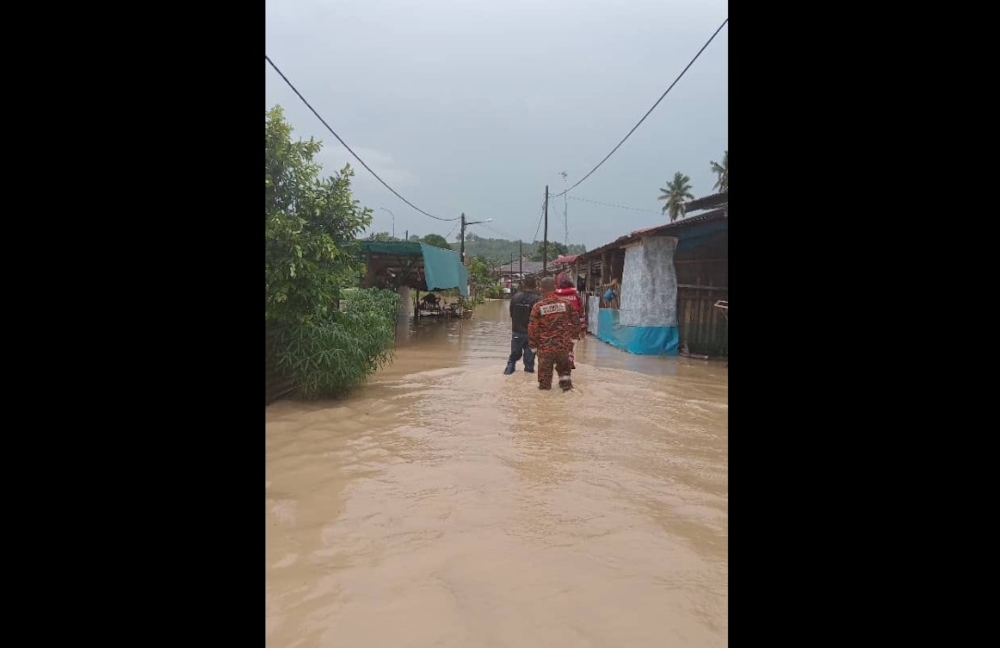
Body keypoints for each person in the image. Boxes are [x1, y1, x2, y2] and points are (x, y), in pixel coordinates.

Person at [528, 276, 579, 391]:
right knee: (565, 382)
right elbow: (576, 323)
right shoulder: (567, 304)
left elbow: (532, 329)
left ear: (541, 289)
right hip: (563, 348)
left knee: (544, 386)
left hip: (545, 350)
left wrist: (533, 347)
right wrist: (573, 341)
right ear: (555, 288)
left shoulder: (538, 307)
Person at [504, 276, 542, 375]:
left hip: (517, 332)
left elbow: (511, 313)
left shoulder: (515, 297)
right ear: (535, 285)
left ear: (524, 285)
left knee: (513, 357)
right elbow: (540, 318)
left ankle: (507, 373)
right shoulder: (538, 300)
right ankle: (527, 382)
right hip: (531, 334)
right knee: (529, 362)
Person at [555, 272, 585, 369]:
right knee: (570, 346)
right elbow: (581, 311)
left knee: (559, 346)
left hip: (558, 326)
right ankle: (570, 362)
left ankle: (561, 363)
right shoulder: (576, 295)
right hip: (572, 326)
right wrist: (583, 328)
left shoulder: (555, 294)